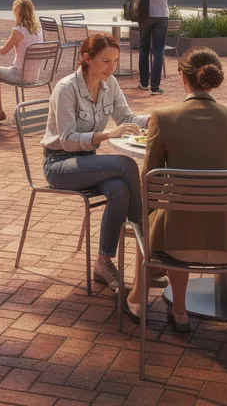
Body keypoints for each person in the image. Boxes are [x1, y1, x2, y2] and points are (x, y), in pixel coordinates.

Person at [121, 47, 227, 331]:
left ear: (182, 77)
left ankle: (169, 307)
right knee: (171, 215)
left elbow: (150, 184)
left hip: (174, 247)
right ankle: (167, 305)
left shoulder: (163, 117)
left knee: (155, 216)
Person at [42, 33, 148, 290]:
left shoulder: (109, 84)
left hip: (89, 162)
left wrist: (162, 119)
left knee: (120, 189)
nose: (111, 68)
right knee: (127, 165)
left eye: (115, 61)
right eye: (105, 61)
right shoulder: (66, 88)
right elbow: (66, 140)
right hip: (59, 165)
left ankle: (103, 262)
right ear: (86, 59)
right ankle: (146, 238)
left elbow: (127, 117)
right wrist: (107, 135)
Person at [0, 0, 43, 126]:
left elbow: (2, 51)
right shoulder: (37, 29)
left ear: (17, 11)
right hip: (35, 75)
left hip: (20, 75)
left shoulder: (18, 30)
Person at [128, 0, 176, 95]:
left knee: (143, 48)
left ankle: (143, 82)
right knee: (158, 50)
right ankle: (155, 87)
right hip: (161, 13)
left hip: (144, 14)